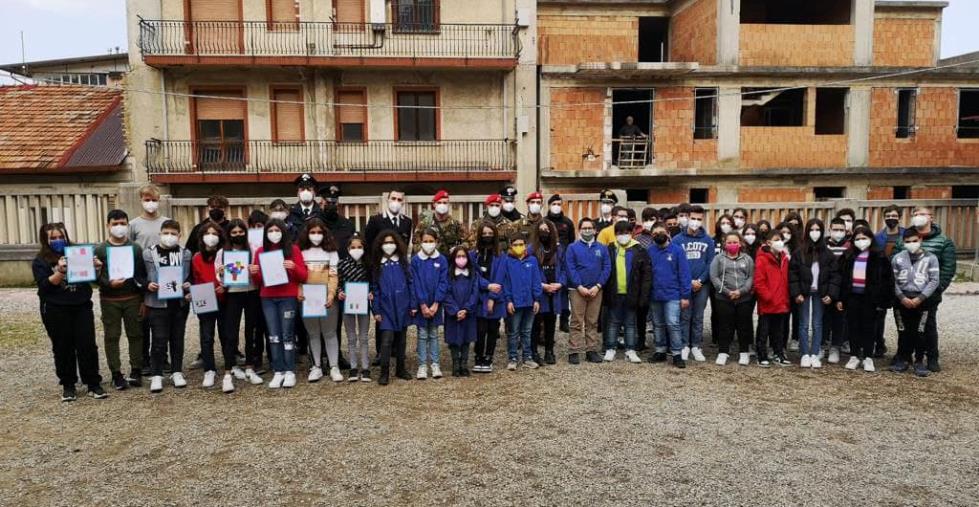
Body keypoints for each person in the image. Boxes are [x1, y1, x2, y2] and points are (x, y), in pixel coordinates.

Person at [34, 223, 107, 401]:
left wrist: (97, 268)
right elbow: (44, 288)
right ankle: (68, 384)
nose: (58, 240)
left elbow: (93, 280)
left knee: (87, 345)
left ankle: (93, 383)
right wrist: (59, 272)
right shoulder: (41, 260)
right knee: (62, 346)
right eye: (53, 238)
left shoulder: (78, 253)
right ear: (46, 240)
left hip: (81, 305)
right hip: (56, 308)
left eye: (61, 236)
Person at [894, 206, 955, 372]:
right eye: (915, 214)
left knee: (927, 327)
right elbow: (894, 268)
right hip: (904, 294)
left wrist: (935, 290)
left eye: (922, 214)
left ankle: (931, 357)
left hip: (929, 294)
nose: (918, 217)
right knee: (904, 327)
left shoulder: (943, 241)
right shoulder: (902, 241)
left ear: (931, 217)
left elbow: (948, 268)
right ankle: (904, 356)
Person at [250, 219, 308, 389]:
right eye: (270, 230)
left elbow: (304, 275)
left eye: (277, 230)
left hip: (287, 297)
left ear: (283, 232)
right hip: (268, 297)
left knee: (287, 334)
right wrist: (254, 273)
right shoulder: (261, 251)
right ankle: (278, 370)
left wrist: (293, 267)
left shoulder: (293, 250)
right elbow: (260, 280)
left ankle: (290, 370)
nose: (274, 233)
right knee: (273, 336)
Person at [95, 209, 146, 390]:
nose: (119, 227)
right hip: (110, 300)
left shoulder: (135, 248)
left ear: (128, 225)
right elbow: (95, 278)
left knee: (136, 334)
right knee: (112, 336)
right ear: (108, 226)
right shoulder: (100, 249)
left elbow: (141, 276)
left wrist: (142, 300)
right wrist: (108, 283)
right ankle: (116, 373)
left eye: (122, 223)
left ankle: (136, 370)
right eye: (115, 224)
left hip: (132, 297)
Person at [143, 219, 192, 393]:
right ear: (160, 234)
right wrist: (147, 284)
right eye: (166, 233)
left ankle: (177, 371)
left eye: (173, 234)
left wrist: (188, 286)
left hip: (178, 303)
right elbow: (139, 275)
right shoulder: (149, 253)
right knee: (159, 339)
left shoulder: (185, 253)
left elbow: (190, 276)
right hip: (157, 303)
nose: (169, 237)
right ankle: (156, 374)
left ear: (179, 236)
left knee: (178, 338)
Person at [837, 226, 894, 372]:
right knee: (853, 326)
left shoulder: (879, 257)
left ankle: (868, 357)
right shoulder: (849, 256)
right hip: (853, 297)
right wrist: (841, 299)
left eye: (864, 238)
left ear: (871, 239)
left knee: (869, 327)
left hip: (871, 298)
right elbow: (842, 279)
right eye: (857, 239)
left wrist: (884, 301)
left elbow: (888, 280)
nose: (861, 241)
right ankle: (854, 355)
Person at [789, 218, 841, 369]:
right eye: (812, 229)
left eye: (818, 230)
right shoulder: (799, 253)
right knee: (803, 323)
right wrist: (796, 292)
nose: (815, 233)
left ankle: (815, 353)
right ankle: (805, 353)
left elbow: (834, 275)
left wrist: (831, 294)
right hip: (804, 292)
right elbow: (793, 274)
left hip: (821, 293)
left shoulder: (828, 254)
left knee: (818, 324)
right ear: (807, 232)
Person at [219, 219, 265, 386]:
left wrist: (255, 270)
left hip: (251, 292)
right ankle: (228, 370)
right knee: (231, 332)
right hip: (233, 294)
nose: (238, 235)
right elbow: (219, 277)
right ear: (229, 235)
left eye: (241, 232)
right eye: (234, 233)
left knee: (251, 330)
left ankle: (250, 367)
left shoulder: (252, 249)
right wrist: (221, 273)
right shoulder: (223, 252)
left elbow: (260, 270)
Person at [130, 184, 170, 376]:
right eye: (147, 199)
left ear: (159, 200)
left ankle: (163, 357)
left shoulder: (167, 222)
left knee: (164, 319)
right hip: (142, 275)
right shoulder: (133, 224)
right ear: (141, 200)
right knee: (144, 320)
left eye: (153, 199)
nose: (151, 203)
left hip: (164, 275)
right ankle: (144, 360)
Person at [192, 222, 237, 392]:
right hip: (205, 299)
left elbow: (235, 274)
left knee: (226, 334)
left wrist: (226, 286)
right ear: (202, 237)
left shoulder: (227, 255)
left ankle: (230, 366)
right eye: (207, 233)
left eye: (215, 233)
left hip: (225, 299)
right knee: (206, 335)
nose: (211, 237)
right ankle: (209, 369)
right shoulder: (196, 257)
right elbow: (196, 279)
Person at [890, 228, 941, 376]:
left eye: (914, 241)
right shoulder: (898, 258)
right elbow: (892, 280)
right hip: (902, 299)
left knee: (921, 331)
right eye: (907, 242)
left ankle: (919, 360)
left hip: (922, 300)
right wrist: (901, 297)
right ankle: (903, 358)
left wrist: (921, 298)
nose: (911, 244)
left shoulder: (931, 258)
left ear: (921, 240)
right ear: (903, 242)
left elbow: (934, 280)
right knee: (903, 330)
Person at [297, 219, 342, 383]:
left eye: (319, 232)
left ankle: (334, 366)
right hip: (308, 298)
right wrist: (299, 291)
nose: (316, 236)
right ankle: (316, 366)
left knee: (330, 333)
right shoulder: (301, 252)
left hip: (326, 297)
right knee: (313, 333)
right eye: (312, 232)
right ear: (307, 234)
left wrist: (331, 294)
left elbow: (333, 275)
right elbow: (298, 277)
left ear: (325, 234)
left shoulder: (331, 252)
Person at [602, 221, 652, 364]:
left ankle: (631, 349)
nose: (623, 236)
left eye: (626, 233)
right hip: (614, 292)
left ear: (631, 234)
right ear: (615, 234)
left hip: (632, 293)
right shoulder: (610, 249)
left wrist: (643, 295)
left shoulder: (639, 250)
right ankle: (610, 348)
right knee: (613, 322)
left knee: (630, 323)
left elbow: (646, 275)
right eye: (619, 233)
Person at [564, 218, 611, 364]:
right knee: (576, 321)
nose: (587, 230)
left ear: (595, 230)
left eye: (590, 228)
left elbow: (607, 267)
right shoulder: (572, 248)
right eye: (584, 228)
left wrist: (598, 286)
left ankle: (591, 350)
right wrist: (579, 286)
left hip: (596, 290)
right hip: (577, 290)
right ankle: (574, 351)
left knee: (592, 321)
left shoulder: (602, 248)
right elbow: (570, 268)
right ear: (579, 230)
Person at [371, 231, 414, 385]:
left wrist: (413, 304)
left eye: (391, 242)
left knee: (402, 340)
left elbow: (410, 283)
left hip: (402, 306)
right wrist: (375, 310)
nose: (388, 245)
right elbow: (375, 289)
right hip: (385, 308)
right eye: (385, 243)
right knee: (387, 340)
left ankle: (401, 369)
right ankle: (384, 372)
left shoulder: (402, 262)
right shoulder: (377, 264)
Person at [647, 223, 692, 368]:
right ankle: (660, 350)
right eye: (655, 233)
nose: (658, 235)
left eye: (661, 232)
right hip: (655, 295)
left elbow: (684, 274)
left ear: (667, 233)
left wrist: (685, 295)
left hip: (673, 294)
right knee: (658, 324)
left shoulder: (678, 251)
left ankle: (677, 353)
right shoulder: (649, 251)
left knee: (673, 324)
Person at [674, 205, 715, 362]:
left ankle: (696, 346)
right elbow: (676, 263)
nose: (695, 222)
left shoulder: (708, 240)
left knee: (698, 317)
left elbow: (710, 263)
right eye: (693, 218)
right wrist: (688, 281)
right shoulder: (677, 240)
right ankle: (684, 345)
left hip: (702, 285)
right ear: (687, 217)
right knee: (684, 315)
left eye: (699, 219)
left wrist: (700, 280)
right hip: (684, 284)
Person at [710, 232, 756, 366]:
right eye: (729, 242)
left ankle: (743, 352)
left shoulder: (747, 259)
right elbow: (714, 277)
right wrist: (727, 291)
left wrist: (741, 292)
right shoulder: (718, 259)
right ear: (725, 244)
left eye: (735, 242)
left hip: (743, 298)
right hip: (723, 298)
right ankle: (723, 352)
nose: (732, 245)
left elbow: (750, 277)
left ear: (740, 243)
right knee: (725, 325)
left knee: (743, 326)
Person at [500, 233, 542, 370]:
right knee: (513, 331)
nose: (519, 247)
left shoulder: (532, 261)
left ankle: (527, 357)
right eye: (515, 244)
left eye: (521, 244)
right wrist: (508, 300)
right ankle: (512, 358)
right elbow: (505, 282)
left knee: (527, 331)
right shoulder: (506, 261)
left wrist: (537, 299)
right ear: (511, 246)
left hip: (529, 302)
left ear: (525, 245)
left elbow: (537, 280)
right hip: (515, 302)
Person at [411, 228, 449, 380]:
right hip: (422, 305)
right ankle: (422, 365)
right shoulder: (415, 260)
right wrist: (422, 304)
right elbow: (415, 283)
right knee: (422, 334)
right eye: (425, 241)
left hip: (435, 305)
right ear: (420, 242)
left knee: (433, 334)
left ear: (436, 242)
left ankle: (435, 364)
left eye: (431, 241)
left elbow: (443, 282)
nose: (428, 244)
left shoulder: (442, 260)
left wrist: (436, 303)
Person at [471, 220, 506, 373]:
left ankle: (489, 357)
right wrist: (486, 285)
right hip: (479, 297)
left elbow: (500, 278)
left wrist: (492, 296)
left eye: (490, 234)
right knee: (480, 329)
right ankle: (478, 356)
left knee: (493, 329)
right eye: (484, 234)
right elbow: (474, 275)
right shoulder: (474, 255)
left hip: (496, 299)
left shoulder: (501, 255)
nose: (487, 236)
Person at [337, 233, 372, 382]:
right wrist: (339, 292)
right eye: (353, 247)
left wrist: (371, 292)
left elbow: (373, 282)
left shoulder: (369, 264)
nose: (356, 249)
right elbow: (338, 282)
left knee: (363, 337)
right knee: (351, 337)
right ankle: (353, 367)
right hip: (348, 304)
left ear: (364, 248)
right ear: (348, 248)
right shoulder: (342, 264)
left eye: (359, 247)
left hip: (364, 304)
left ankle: (365, 367)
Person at [754, 230, 792, 367]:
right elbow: (759, 282)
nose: (779, 242)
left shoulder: (784, 258)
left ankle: (778, 353)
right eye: (776, 239)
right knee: (764, 331)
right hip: (768, 303)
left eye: (781, 239)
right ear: (769, 242)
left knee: (779, 331)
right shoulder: (762, 259)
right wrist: (767, 297)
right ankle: (761, 354)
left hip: (782, 301)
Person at [531, 220, 565, 366]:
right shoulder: (531, 249)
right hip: (539, 291)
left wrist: (560, 283)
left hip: (555, 290)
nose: (544, 232)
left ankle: (549, 351)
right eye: (541, 229)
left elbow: (564, 268)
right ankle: (533, 352)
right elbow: (530, 271)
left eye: (547, 229)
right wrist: (541, 285)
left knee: (551, 322)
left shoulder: (558, 249)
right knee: (536, 324)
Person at [873, 205, 905, 357]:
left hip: (902, 281)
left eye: (894, 215)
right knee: (879, 317)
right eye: (888, 215)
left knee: (902, 317)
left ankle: (903, 350)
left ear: (899, 217)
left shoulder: (907, 235)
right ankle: (879, 344)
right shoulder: (878, 237)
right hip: (884, 282)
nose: (891, 218)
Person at [444, 245, 480, 377]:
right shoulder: (448, 274)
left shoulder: (472, 274)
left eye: (463, 256)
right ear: (453, 259)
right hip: (453, 313)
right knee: (453, 339)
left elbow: (474, 293)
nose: (461, 259)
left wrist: (466, 309)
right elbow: (446, 293)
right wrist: (454, 310)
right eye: (458, 256)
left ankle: (464, 364)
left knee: (466, 338)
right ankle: (455, 364)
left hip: (468, 312)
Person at [823, 217, 850, 363]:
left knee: (839, 320)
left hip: (842, 291)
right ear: (829, 230)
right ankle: (823, 345)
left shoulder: (849, 247)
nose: (838, 233)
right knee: (824, 319)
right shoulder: (823, 245)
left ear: (846, 231)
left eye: (841, 230)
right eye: (835, 229)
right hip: (825, 289)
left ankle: (835, 347)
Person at [414, 190, 466, 256]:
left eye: (445, 203)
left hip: (449, 261)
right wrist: (426, 250)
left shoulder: (456, 224)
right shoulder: (425, 223)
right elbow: (416, 243)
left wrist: (458, 249)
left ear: (448, 204)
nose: (442, 205)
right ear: (434, 204)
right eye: (439, 202)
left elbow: (467, 242)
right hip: (430, 260)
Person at [318, 184, 356, 255]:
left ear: (338, 203)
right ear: (321, 203)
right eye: (328, 203)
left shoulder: (348, 224)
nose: (331, 206)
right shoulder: (314, 223)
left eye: (333, 203)